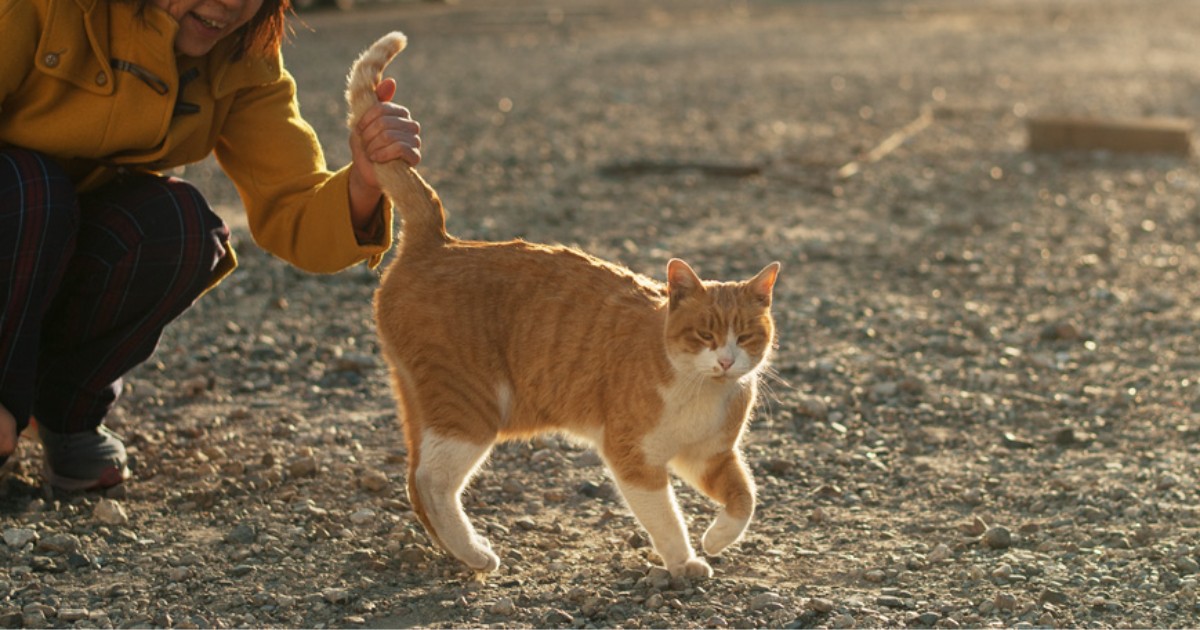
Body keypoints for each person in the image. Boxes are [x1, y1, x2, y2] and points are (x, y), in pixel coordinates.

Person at [0, 0, 421, 490]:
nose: (230, 4)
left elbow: (293, 204)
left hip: (48, 246)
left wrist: (365, 184)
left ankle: (65, 415)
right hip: (19, 212)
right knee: (33, 191)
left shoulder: (242, 57)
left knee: (177, 227)